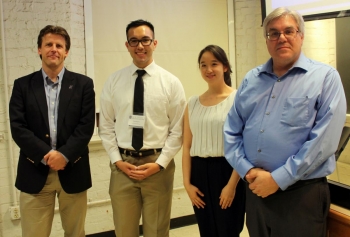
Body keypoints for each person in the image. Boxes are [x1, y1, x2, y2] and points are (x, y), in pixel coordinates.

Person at [224, 7, 346, 237]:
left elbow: (324, 142)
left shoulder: (325, 78)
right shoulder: (252, 79)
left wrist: (279, 179)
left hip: (300, 195)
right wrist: (246, 169)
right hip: (256, 191)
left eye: (288, 31)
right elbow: (231, 130)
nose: (281, 37)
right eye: (273, 33)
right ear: (267, 40)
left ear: (301, 35)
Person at [98, 19, 186, 237]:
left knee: (156, 231)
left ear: (154, 43)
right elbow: (106, 126)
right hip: (122, 168)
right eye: (134, 41)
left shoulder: (171, 83)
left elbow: (178, 130)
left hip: (157, 168)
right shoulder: (113, 82)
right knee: (124, 231)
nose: (140, 46)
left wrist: (160, 164)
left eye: (145, 40)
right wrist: (117, 160)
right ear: (126, 45)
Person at [9, 25, 95, 237]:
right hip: (35, 170)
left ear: (66, 51)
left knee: (75, 233)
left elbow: (86, 127)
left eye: (59, 45)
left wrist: (64, 155)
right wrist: (47, 156)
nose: (53, 49)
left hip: (73, 169)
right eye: (48, 44)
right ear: (39, 49)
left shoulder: (83, 84)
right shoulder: (22, 86)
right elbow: (18, 128)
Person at [182, 45, 245, 237]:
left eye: (214, 64)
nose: (208, 69)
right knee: (207, 230)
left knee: (228, 230)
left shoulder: (238, 99)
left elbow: (244, 146)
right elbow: (187, 147)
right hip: (199, 174)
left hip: (229, 170)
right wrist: (187, 185)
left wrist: (232, 185)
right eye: (203, 65)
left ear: (225, 67)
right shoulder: (192, 103)